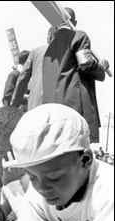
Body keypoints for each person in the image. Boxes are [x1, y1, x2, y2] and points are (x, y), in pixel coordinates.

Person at [3, 104, 113, 221]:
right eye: (32, 177)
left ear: (85, 160)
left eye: (54, 177)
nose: (42, 188)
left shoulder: (107, 190)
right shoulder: (42, 185)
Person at [35, 7, 109, 143]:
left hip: (53, 109)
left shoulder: (49, 48)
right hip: (75, 107)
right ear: (74, 21)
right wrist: (101, 68)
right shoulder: (79, 36)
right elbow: (86, 64)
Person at [11, 26, 57, 110]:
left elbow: (23, 78)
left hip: (37, 104)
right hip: (62, 107)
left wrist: (14, 104)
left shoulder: (36, 52)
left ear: (49, 36)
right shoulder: (71, 51)